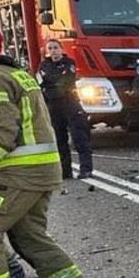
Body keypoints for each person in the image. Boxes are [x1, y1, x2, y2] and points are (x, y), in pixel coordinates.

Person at [0, 9, 91, 278]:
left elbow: (2, 132)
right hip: (40, 169)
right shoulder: (13, 72)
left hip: (19, 173)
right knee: (27, 235)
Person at [38, 39, 92, 179]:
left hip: (70, 103)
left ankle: (86, 169)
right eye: (50, 48)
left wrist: (51, 81)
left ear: (61, 49)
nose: (53, 50)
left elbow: (67, 79)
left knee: (79, 136)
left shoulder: (70, 63)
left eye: (56, 47)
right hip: (53, 106)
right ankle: (65, 171)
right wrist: (53, 80)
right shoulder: (43, 65)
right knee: (59, 139)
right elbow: (40, 82)